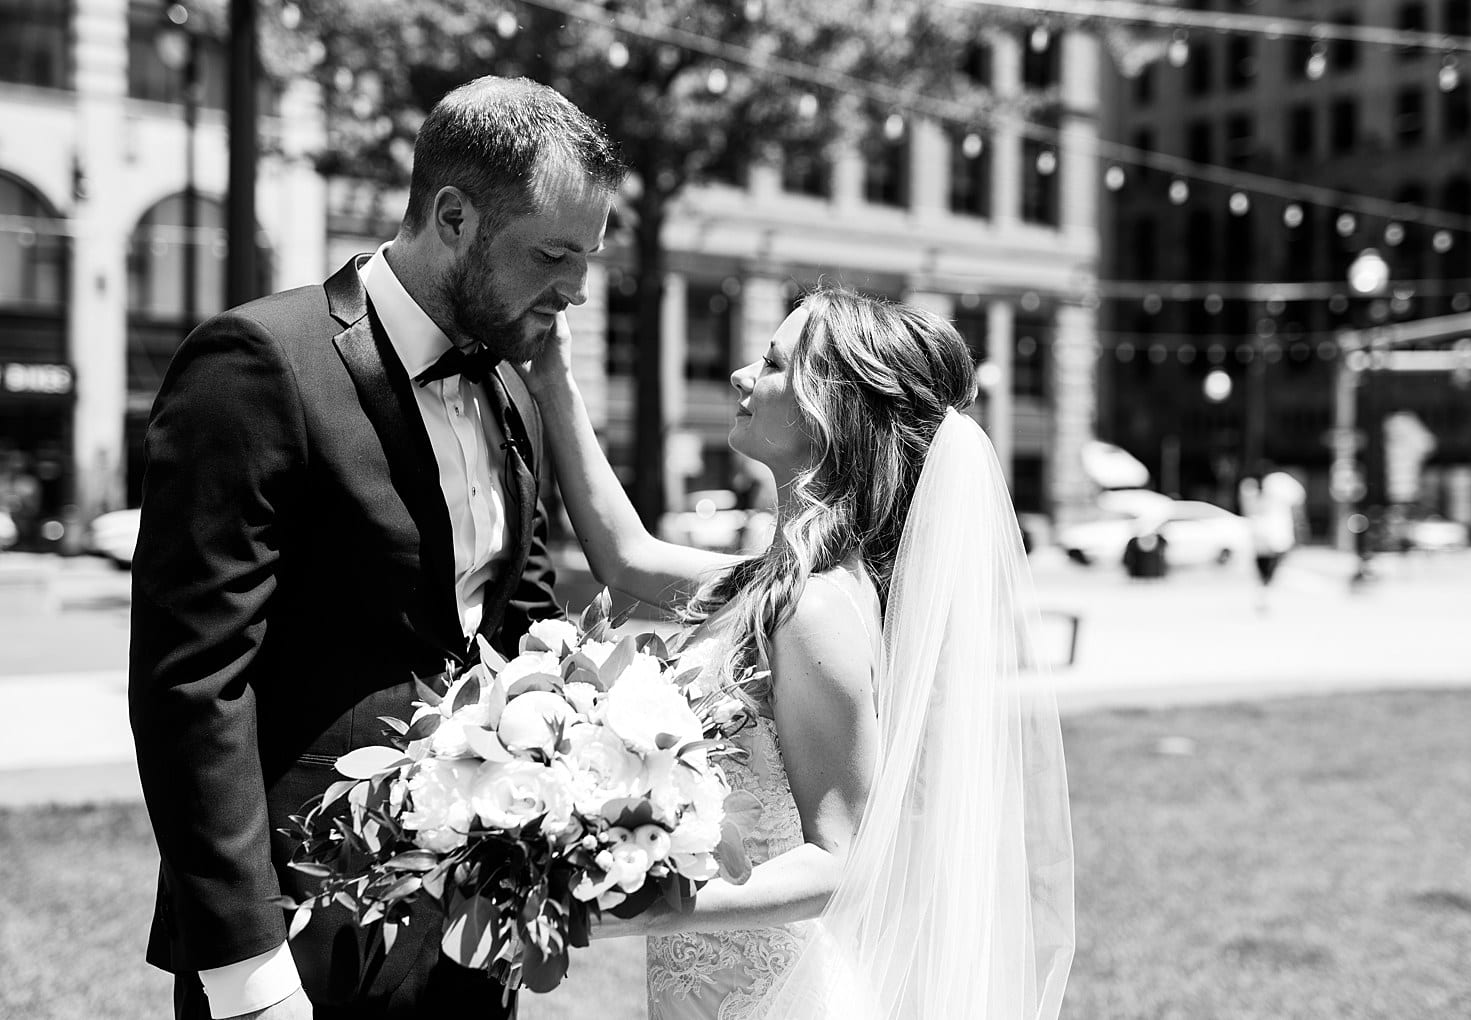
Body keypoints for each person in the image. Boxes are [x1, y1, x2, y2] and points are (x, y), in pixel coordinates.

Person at [127, 77, 624, 1020]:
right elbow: (191, 681)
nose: (578, 291)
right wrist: (247, 969)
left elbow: (521, 627)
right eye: (555, 253)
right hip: (300, 926)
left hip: (472, 920)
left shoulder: (513, 389)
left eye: (589, 257)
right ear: (452, 217)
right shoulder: (259, 363)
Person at [517, 286, 1074, 1020]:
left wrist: (652, 905)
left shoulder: (818, 609)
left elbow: (845, 862)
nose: (742, 375)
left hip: (774, 995)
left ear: (828, 410)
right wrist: (553, 377)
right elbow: (625, 556)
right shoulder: (773, 584)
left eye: (773, 363)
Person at [1238, 463, 1308, 611]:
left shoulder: (1249, 487)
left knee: (1264, 565)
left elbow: (1247, 509)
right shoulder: (1280, 484)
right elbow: (1297, 507)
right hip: (1275, 532)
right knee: (1272, 564)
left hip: (1259, 530)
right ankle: (1264, 591)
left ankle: (1262, 591)